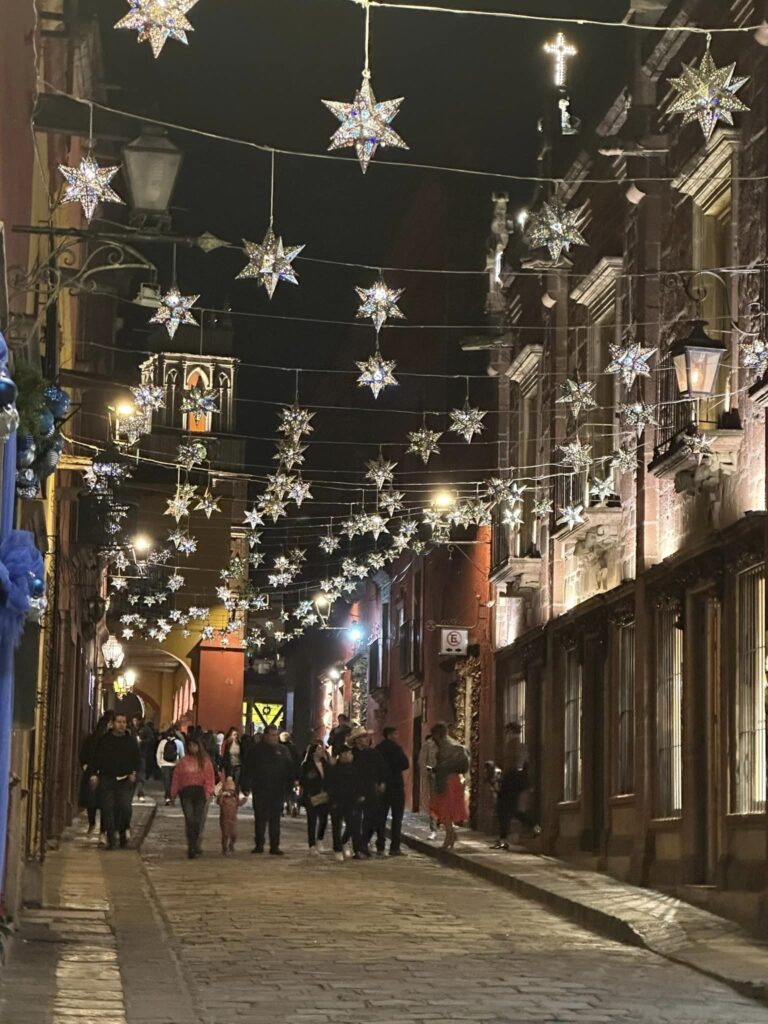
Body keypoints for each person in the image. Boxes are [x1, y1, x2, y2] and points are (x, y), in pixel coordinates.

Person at [241, 724, 295, 855]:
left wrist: (291, 784)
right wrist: (245, 786)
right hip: (260, 788)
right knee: (260, 817)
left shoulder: (283, 750)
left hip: (277, 789)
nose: (274, 738)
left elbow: (289, 768)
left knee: (275, 818)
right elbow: (247, 769)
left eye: (276, 735)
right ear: (265, 735)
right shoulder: (255, 751)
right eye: (271, 735)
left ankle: (274, 846)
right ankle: (259, 844)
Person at [89, 712, 140, 850]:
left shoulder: (130, 741)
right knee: (108, 808)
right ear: (112, 723)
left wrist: (134, 773)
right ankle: (111, 838)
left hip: (125, 779)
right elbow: (95, 758)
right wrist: (94, 774)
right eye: (119, 722)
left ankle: (123, 831)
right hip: (107, 778)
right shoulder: (105, 740)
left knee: (125, 807)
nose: (121, 725)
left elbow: (137, 760)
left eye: (124, 722)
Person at [491, 722, 540, 849]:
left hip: (512, 780)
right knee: (511, 810)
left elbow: (517, 764)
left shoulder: (515, 745)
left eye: (508, 731)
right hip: (513, 779)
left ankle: (534, 827)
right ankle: (505, 838)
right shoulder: (517, 746)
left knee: (506, 809)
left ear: (511, 731)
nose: (506, 734)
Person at [171, 735, 215, 859]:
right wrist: (173, 793)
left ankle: (195, 844)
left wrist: (208, 793)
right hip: (186, 794)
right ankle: (191, 846)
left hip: (200, 793)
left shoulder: (205, 762)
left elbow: (209, 778)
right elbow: (177, 777)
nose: (192, 748)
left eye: (194, 745)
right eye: (190, 745)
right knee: (190, 820)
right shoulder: (183, 762)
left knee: (197, 820)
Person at [347, 726, 387, 859]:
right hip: (355, 791)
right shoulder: (351, 754)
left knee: (371, 819)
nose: (366, 739)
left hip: (371, 790)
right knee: (356, 821)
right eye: (363, 737)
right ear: (357, 740)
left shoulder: (373, 753)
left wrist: (382, 782)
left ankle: (364, 844)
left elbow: (382, 768)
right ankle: (358, 848)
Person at [430, 722, 469, 850]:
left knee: (445, 810)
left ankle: (449, 837)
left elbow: (444, 765)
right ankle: (451, 835)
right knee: (448, 810)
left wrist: (436, 769)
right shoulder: (453, 744)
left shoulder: (445, 746)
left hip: (446, 781)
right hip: (454, 780)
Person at [374, 726, 410, 857]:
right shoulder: (396, 748)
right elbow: (406, 764)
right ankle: (395, 847)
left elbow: (375, 767)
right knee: (397, 818)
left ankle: (380, 846)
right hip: (396, 786)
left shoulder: (378, 749)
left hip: (382, 787)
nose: (397, 736)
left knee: (381, 818)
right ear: (389, 735)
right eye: (395, 733)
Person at [78, 713, 112, 835]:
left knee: (91, 802)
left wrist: (86, 767)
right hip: (104, 775)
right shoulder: (108, 741)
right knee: (105, 804)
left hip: (91, 773)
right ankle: (103, 830)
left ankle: (92, 824)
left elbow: (82, 756)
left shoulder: (90, 738)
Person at [326, 747, 356, 862]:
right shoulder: (333, 769)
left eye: (350, 753)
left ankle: (343, 841)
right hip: (337, 801)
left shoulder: (353, 768)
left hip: (351, 801)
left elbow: (357, 784)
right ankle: (337, 849)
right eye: (347, 753)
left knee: (352, 824)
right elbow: (328, 785)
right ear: (341, 755)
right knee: (336, 826)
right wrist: (332, 799)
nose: (349, 755)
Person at [300, 741, 330, 854]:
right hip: (312, 796)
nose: (321, 750)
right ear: (313, 753)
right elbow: (303, 780)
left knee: (324, 819)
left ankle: (320, 839)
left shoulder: (325, 763)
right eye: (318, 749)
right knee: (312, 821)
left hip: (324, 795)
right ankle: (312, 844)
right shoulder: (307, 765)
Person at [418, 729, 439, 840]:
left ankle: (449, 829)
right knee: (434, 803)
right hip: (434, 777)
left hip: (447, 778)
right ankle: (434, 829)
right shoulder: (428, 745)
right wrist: (427, 772)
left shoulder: (449, 745)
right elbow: (422, 761)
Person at [217, 776, 246, 855]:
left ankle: (231, 845)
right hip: (224, 819)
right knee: (225, 834)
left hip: (233, 819)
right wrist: (221, 795)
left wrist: (245, 799)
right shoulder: (223, 799)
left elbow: (239, 803)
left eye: (232, 790)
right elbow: (219, 802)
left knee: (234, 834)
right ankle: (224, 848)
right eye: (228, 789)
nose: (230, 792)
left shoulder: (235, 798)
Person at [157, 729, 184, 804]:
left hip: (165, 765)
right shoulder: (179, 743)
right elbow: (182, 755)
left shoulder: (162, 742)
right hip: (176, 765)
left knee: (167, 782)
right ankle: (173, 797)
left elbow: (158, 754)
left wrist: (160, 765)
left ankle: (167, 797)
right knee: (174, 782)